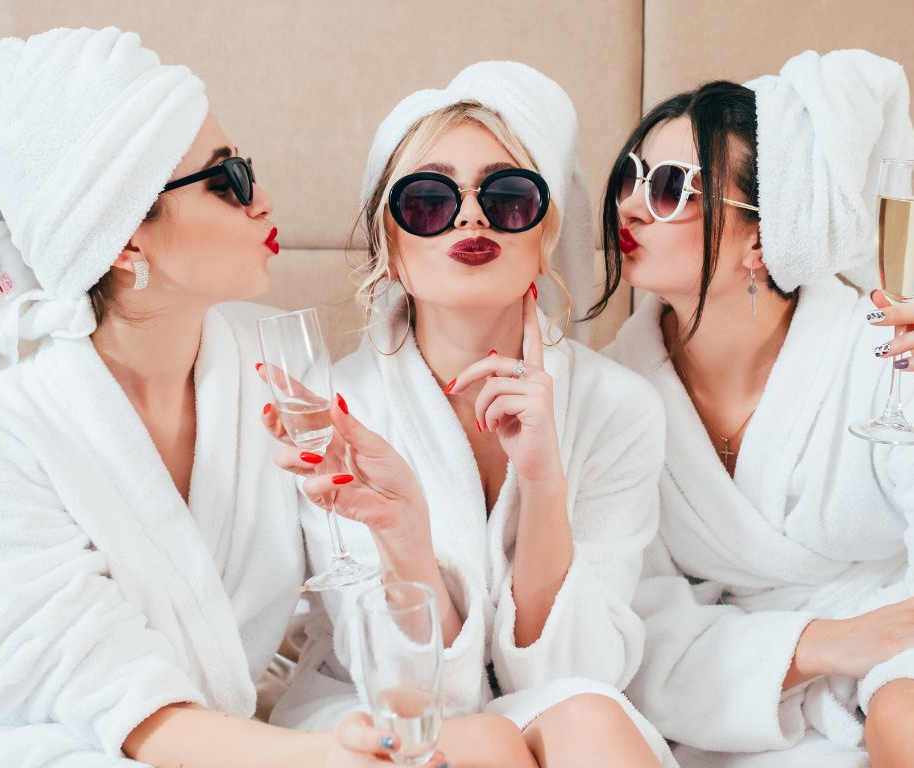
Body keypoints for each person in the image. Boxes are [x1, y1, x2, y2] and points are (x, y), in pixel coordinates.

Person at [0, 26, 447, 768]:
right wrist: (327, 762)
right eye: (228, 179)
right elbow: (124, 708)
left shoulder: (269, 365)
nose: (262, 199)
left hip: (226, 741)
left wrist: (403, 528)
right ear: (124, 240)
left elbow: (359, 618)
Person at [264, 61, 676, 768]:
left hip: (553, 701)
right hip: (371, 706)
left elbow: (577, 672)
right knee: (481, 742)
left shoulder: (618, 408)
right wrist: (403, 532)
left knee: (593, 721)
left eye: (508, 196)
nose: (471, 216)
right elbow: (422, 698)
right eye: (427, 201)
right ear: (391, 249)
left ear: (546, 232)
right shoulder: (341, 412)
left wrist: (545, 485)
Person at [596, 49, 914, 767]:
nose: (633, 206)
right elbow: (634, 616)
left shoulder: (881, 355)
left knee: (911, 710)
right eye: (630, 178)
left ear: (765, 237)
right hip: (743, 684)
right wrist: (821, 644)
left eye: (673, 187)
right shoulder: (614, 388)